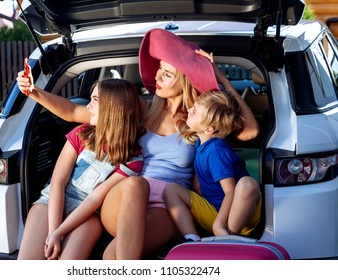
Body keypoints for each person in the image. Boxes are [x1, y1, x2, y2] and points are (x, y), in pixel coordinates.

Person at [16, 28, 259, 259]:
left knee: (112, 257)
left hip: (168, 205)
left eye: (167, 74)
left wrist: (220, 79)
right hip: (124, 198)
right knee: (136, 184)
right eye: (159, 69)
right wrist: (34, 92)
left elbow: (250, 131)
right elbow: (73, 112)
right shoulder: (143, 108)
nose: (157, 76)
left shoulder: (199, 118)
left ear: (185, 80)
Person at [17, 78, 143, 260]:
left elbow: (94, 198)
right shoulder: (81, 134)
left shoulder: (133, 160)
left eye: (95, 100)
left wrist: (61, 232)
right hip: (51, 203)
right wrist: (54, 232)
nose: (88, 106)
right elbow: (58, 183)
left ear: (113, 107)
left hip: (87, 215)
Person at [164, 90, 261, 244]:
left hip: (238, 217)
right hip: (214, 210)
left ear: (209, 129)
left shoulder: (217, 152)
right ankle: (192, 238)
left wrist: (218, 225)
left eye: (194, 112)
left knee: (247, 184)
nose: (189, 110)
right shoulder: (201, 142)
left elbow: (230, 193)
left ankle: (228, 238)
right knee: (171, 190)